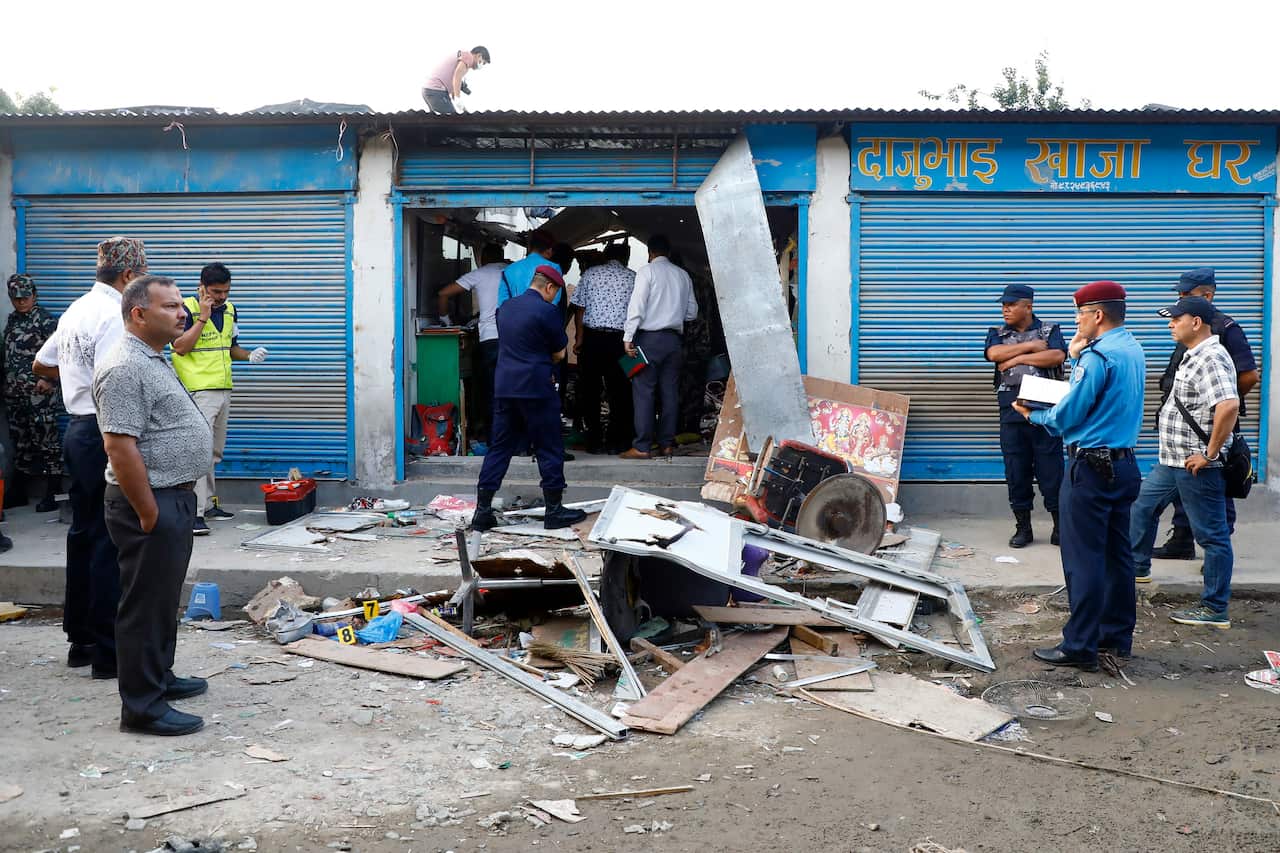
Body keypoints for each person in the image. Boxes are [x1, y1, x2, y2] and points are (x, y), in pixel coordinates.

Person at [95, 274, 213, 736]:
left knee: (162, 601)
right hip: (150, 503)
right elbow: (119, 447)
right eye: (170, 307)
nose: (182, 313)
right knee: (144, 605)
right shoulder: (125, 365)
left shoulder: (153, 357)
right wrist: (148, 512)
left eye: (181, 306)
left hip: (174, 496)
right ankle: (142, 707)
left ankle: (159, 678)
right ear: (138, 314)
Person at [1011, 281, 1145, 671]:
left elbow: (1068, 415)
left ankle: (1080, 646)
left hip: (1090, 468)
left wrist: (1033, 414)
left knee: (1083, 559)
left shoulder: (1098, 358)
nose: (1076, 322)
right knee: (1118, 556)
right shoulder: (1131, 347)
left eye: (1079, 315)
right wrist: (1075, 358)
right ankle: (1116, 637)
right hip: (1124, 465)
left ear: (1097, 315)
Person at [33, 236, 144, 677]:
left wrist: (74, 381)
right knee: (111, 539)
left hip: (78, 430)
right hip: (104, 432)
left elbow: (43, 364)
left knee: (84, 534)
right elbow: (116, 380)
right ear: (128, 276)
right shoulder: (116, 315)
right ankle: (108, 651)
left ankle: (79, 639)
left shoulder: (75, 309)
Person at [1129, 297, 1238, 628]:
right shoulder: (1194, 354)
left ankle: (1214, 608)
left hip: (1196, 465)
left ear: (1196, 322)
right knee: (1142, 509)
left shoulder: (1212, 358)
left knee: (1212, 536)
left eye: (1176, 318)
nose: (1169, 323)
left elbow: (1229, 405)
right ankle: (1135, 573)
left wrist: (1210, 454)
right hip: (1172, 460)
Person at [1150, 267, 1259, 560]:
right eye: (1180, 294)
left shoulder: (1225, 328)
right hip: (1185, 429)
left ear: (1207, 295)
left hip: (1211, 426)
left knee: (1216, 490)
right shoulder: (1186, 326)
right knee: (1186, 484)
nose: (1180, 299)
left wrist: (1217, 404)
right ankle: (1182, 541)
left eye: (1187, 294)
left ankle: (1216, 553)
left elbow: (1248, 376)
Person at [470, 266, 587, 532]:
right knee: (549, 447)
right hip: (536, 388)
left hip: (505, 388)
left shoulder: (506, 308)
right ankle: (554, 511)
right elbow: (559, 353)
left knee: (499, 448)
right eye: (555, 292)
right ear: (549, 287)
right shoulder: (547, 311)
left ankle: (482, 511)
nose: (554, 297)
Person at [170, 263, 268, 536]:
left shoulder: (230, 309)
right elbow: (179, 348)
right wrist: (202, 316)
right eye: (216, 291)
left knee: (213, 453)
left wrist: (248, 355)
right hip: (197, 390)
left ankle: (210, 504)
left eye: (226, 291)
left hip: (223, 388)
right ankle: (194, 514)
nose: (222, 296)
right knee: (198, 452)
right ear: (201, 286)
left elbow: (231, 348)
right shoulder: (184, 309)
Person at [983, 284, 1067, 548]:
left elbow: (1056, 356)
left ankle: (1060, 526)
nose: (1005, 309)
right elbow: (994, 355)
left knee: (1051, 472)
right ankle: (1023, 528)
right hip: (1011, 413)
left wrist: (1015, 360)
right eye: (1003, 305)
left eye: (1011, 304)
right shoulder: (996, 333)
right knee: (1016, 472)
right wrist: (1030, 348)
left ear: (1028, 306)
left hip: (1046, 411)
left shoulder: (1050, 330)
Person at [620, 235, 697, 460]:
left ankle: (642, 446)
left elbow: (638, 305)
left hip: (649, 340)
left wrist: (628, 336)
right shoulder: (683, 275)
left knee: (644, 392)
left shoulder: (647, 272)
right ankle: (667, 444)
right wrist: (672, 313)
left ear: (650, 252)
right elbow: (692, 312)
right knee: (670, 392)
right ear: (669, 252)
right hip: (674, 342)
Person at [436, 244, 510, 440]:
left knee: (489, 389)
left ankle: (493, 437)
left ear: (484, 257)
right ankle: (515, 439)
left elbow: (443, 294)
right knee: (513, 389)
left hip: (489, 339)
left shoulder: (480, 273)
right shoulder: (515, 270)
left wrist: (446, 322)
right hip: (515, 339)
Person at [3, 274, 63, 514]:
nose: (21, 302)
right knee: (21, 442)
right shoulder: (12, 321)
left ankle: (53, 491)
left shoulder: (46, 321)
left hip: (39, 394)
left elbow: (60, 353)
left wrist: (48, 379)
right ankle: (20, 492)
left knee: (47, 442)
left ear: (34, 295)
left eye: (25, 297)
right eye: (16, 298)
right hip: (14, 394)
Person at [571, 242, 637, 454]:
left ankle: (594, 440)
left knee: (590, 390)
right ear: (625, 258)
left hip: (593, 339)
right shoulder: (633, 277)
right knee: (621, 391)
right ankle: (618, 440)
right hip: (621, 340)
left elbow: (580, 309)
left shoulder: (590, 274)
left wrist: (579, 339)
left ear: (606, 256)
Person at [496, 230, 561, 309]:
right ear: (550, 250)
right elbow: (554, 302)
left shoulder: (508, 270)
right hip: (541, 318)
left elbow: (502, 304)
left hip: (515, 318)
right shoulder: (554, 268)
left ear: (530, 247)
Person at [421, 46, 491, 114]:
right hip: (436, 90)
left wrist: (463, 108)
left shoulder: (462, 59)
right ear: (479, 56)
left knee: (442, 121)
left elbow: (454, 86)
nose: (482, 66)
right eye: (483, 63)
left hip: (430, 90)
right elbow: (457, 76)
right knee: (452, 121)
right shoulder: (469, 57)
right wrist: (458, 98)